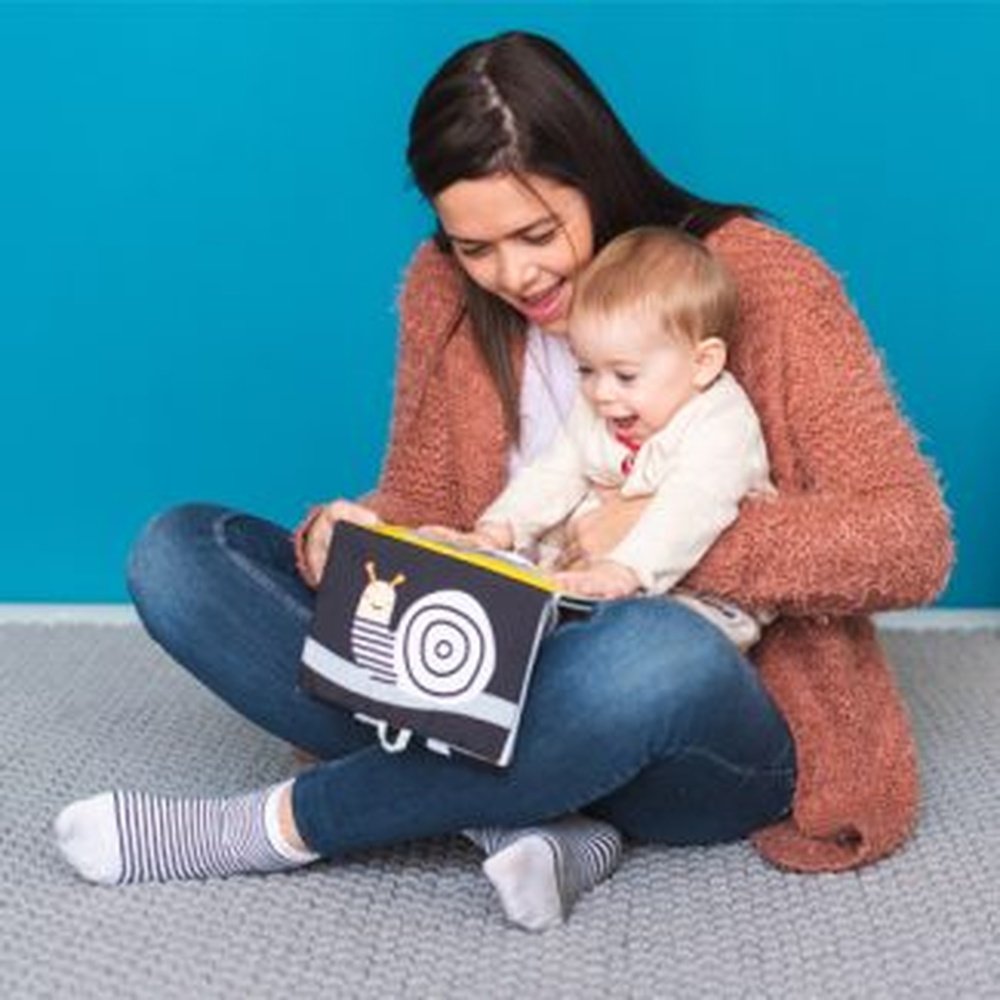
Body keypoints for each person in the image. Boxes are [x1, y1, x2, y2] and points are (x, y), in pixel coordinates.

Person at [53, 31, 953, 933]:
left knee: (648, 653)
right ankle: (534, 820)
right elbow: (429, 500)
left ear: (596, 177)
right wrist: (363, 531)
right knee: (179, 555)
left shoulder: (753, 278)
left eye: (536, 233)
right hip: (486, 666)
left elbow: (910, 540)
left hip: (699, 718)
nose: (513, 275)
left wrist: (649, 537)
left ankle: (272, 828)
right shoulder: (444, 290)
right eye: (475, 245)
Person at [424, 225, 772, 651]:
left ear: (703, 363)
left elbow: (693, 504)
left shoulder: (721, 423)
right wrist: (497, 531)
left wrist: (625, 570)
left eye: (625, 375)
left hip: (700, 606)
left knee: (634, 649)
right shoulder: (599, 408)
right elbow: (554, 472)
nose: (601, 393)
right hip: (589, 586)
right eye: (586, 370)